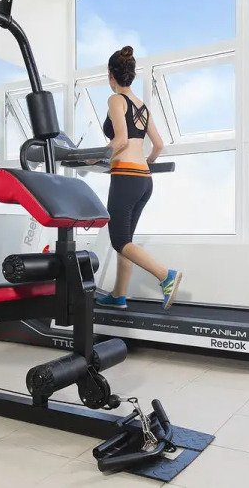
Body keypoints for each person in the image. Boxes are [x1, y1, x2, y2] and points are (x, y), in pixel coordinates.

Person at [95, 46, 182, 311]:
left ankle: (165, 275)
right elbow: (158, 145)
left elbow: (120, 140)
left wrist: (94, 157)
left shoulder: (115, 100)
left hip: (126, 178)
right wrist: (148, 161)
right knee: (127, 240)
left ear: (111, 75)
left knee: (119, 240)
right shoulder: (142, 107)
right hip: (144, 180)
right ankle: (118, 295)